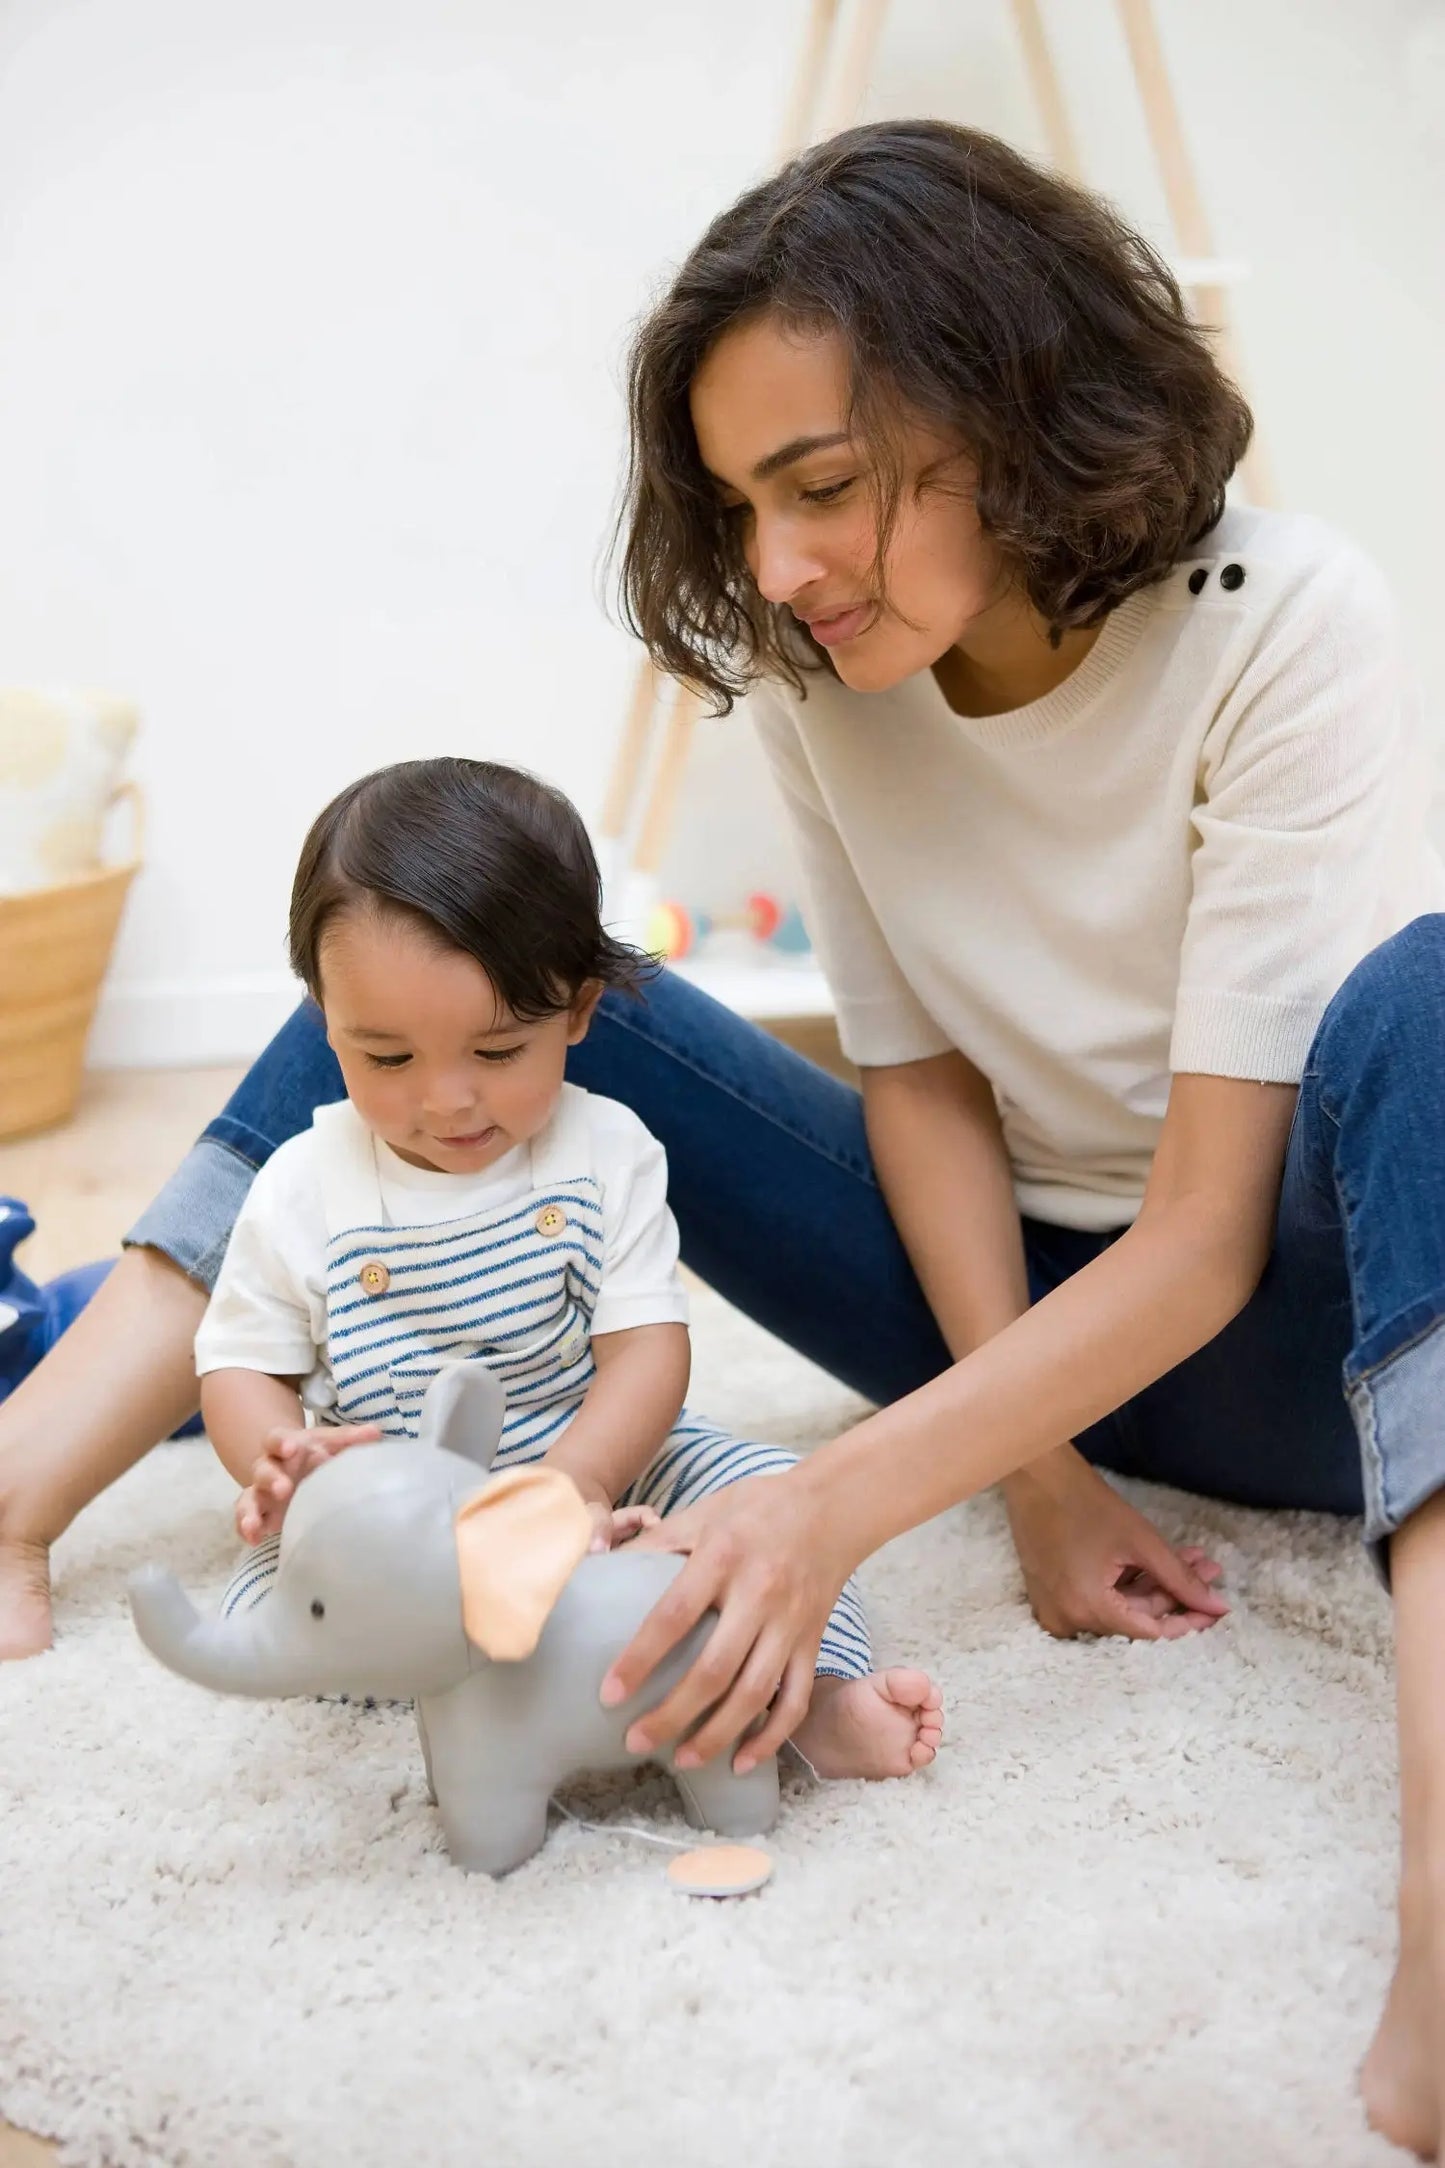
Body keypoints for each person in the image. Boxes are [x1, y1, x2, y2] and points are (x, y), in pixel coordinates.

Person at [0, 118, 1440, 2152]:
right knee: (439, 963)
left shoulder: (1283, 623)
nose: (774, 568)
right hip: (992, 1303)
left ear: (1014, 408)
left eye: (825, 487)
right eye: (741, 503)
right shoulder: (821, 678)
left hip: (1284, 1327)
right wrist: (1025, 1475)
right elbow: (921, 1084)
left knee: (1431, 994)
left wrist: (828, 1503)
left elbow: (1204, 1237)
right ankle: (19, 1478)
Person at [191, 753, 940, 1778]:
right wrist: (288, 1460)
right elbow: (239, 1367)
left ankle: (804, 1704)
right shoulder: (299, 1185)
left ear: (580, 1010)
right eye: (389, 1058)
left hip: (601, 1471)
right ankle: (517, 1672)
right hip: (397, 1521)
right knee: (277, 1602)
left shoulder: (604, 1150)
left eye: (497, 1051)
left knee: (766, 1500)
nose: (448, 1099)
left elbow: (645, 1349)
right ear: (324, 1020)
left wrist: (576, 1481)